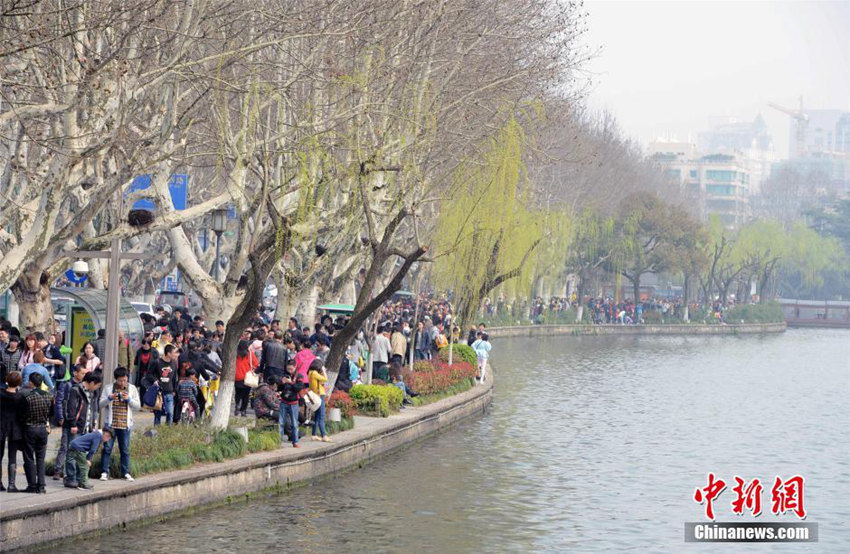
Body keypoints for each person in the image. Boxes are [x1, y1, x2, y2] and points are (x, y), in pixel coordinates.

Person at [99, 366, 141, 482]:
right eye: (120, 380)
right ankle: (104, 472)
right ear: (115, 379)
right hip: (110, 424)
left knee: (125, 450)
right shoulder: (108, 388)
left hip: (125, 424)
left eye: (125, 380)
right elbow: (100, 404)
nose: (123, 382)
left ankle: (126, 472)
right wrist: (109, 398)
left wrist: (129, 400)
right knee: (107, 448)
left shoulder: (132, 389)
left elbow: (138, 406)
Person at [18, 372, 52, 493]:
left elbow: (21, 416)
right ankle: (41, 485)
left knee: (29, 457)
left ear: (31, 383)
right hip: (43, 429)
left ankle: (32, 485)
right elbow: (51, 414)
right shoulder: (49, 396)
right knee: (41, 458)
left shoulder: (27, 397)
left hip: (30, 429)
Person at [0, 371, 24, 491]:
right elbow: (23, 414)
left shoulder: (1, 394)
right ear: (19, 382)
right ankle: (11, 484)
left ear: (7, 381)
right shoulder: (20, 397)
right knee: (12, 456)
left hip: (1, 425)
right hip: (15, 427)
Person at [279, 361, 307, 447]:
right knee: (281, 422)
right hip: (284, 401)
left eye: (291, 369)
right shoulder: (285, 374)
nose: (289, 370)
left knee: (294, 423)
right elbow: (279, 388)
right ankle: (278, 441)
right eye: (288, 369)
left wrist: (290, 382)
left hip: (294, 403)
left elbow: (298, 388)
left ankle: (295, 442)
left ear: (295, 367)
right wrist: (282, 383)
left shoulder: (299, 376)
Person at [154, 344, 178, 425]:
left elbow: (175, 378)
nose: (175, 354)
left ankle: (167, 432)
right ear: (168, 353)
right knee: (158, 414)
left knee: (170, 413)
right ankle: (156, 433)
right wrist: (155, 380)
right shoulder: (157, 362)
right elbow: (150, 374)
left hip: (169, 392)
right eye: (174, 353)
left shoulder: (174, 363)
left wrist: (174, 390)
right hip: (159, 392)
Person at [307, 359, 330, 443]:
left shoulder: (311, 373)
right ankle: (324, 435)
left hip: (315, 396)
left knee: (317, 416)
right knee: (321, 416)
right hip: (319, 396)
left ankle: (314, 435)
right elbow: (325, 379)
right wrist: (324, 371)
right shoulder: (314, 373)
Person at [234, 340, 258, 417]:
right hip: (247, 378)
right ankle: (243, 410)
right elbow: (256, 364)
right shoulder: (250, 354)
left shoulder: (235, 354)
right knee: (246, 395)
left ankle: (237, 405)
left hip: (237, 377)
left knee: (238, 393)